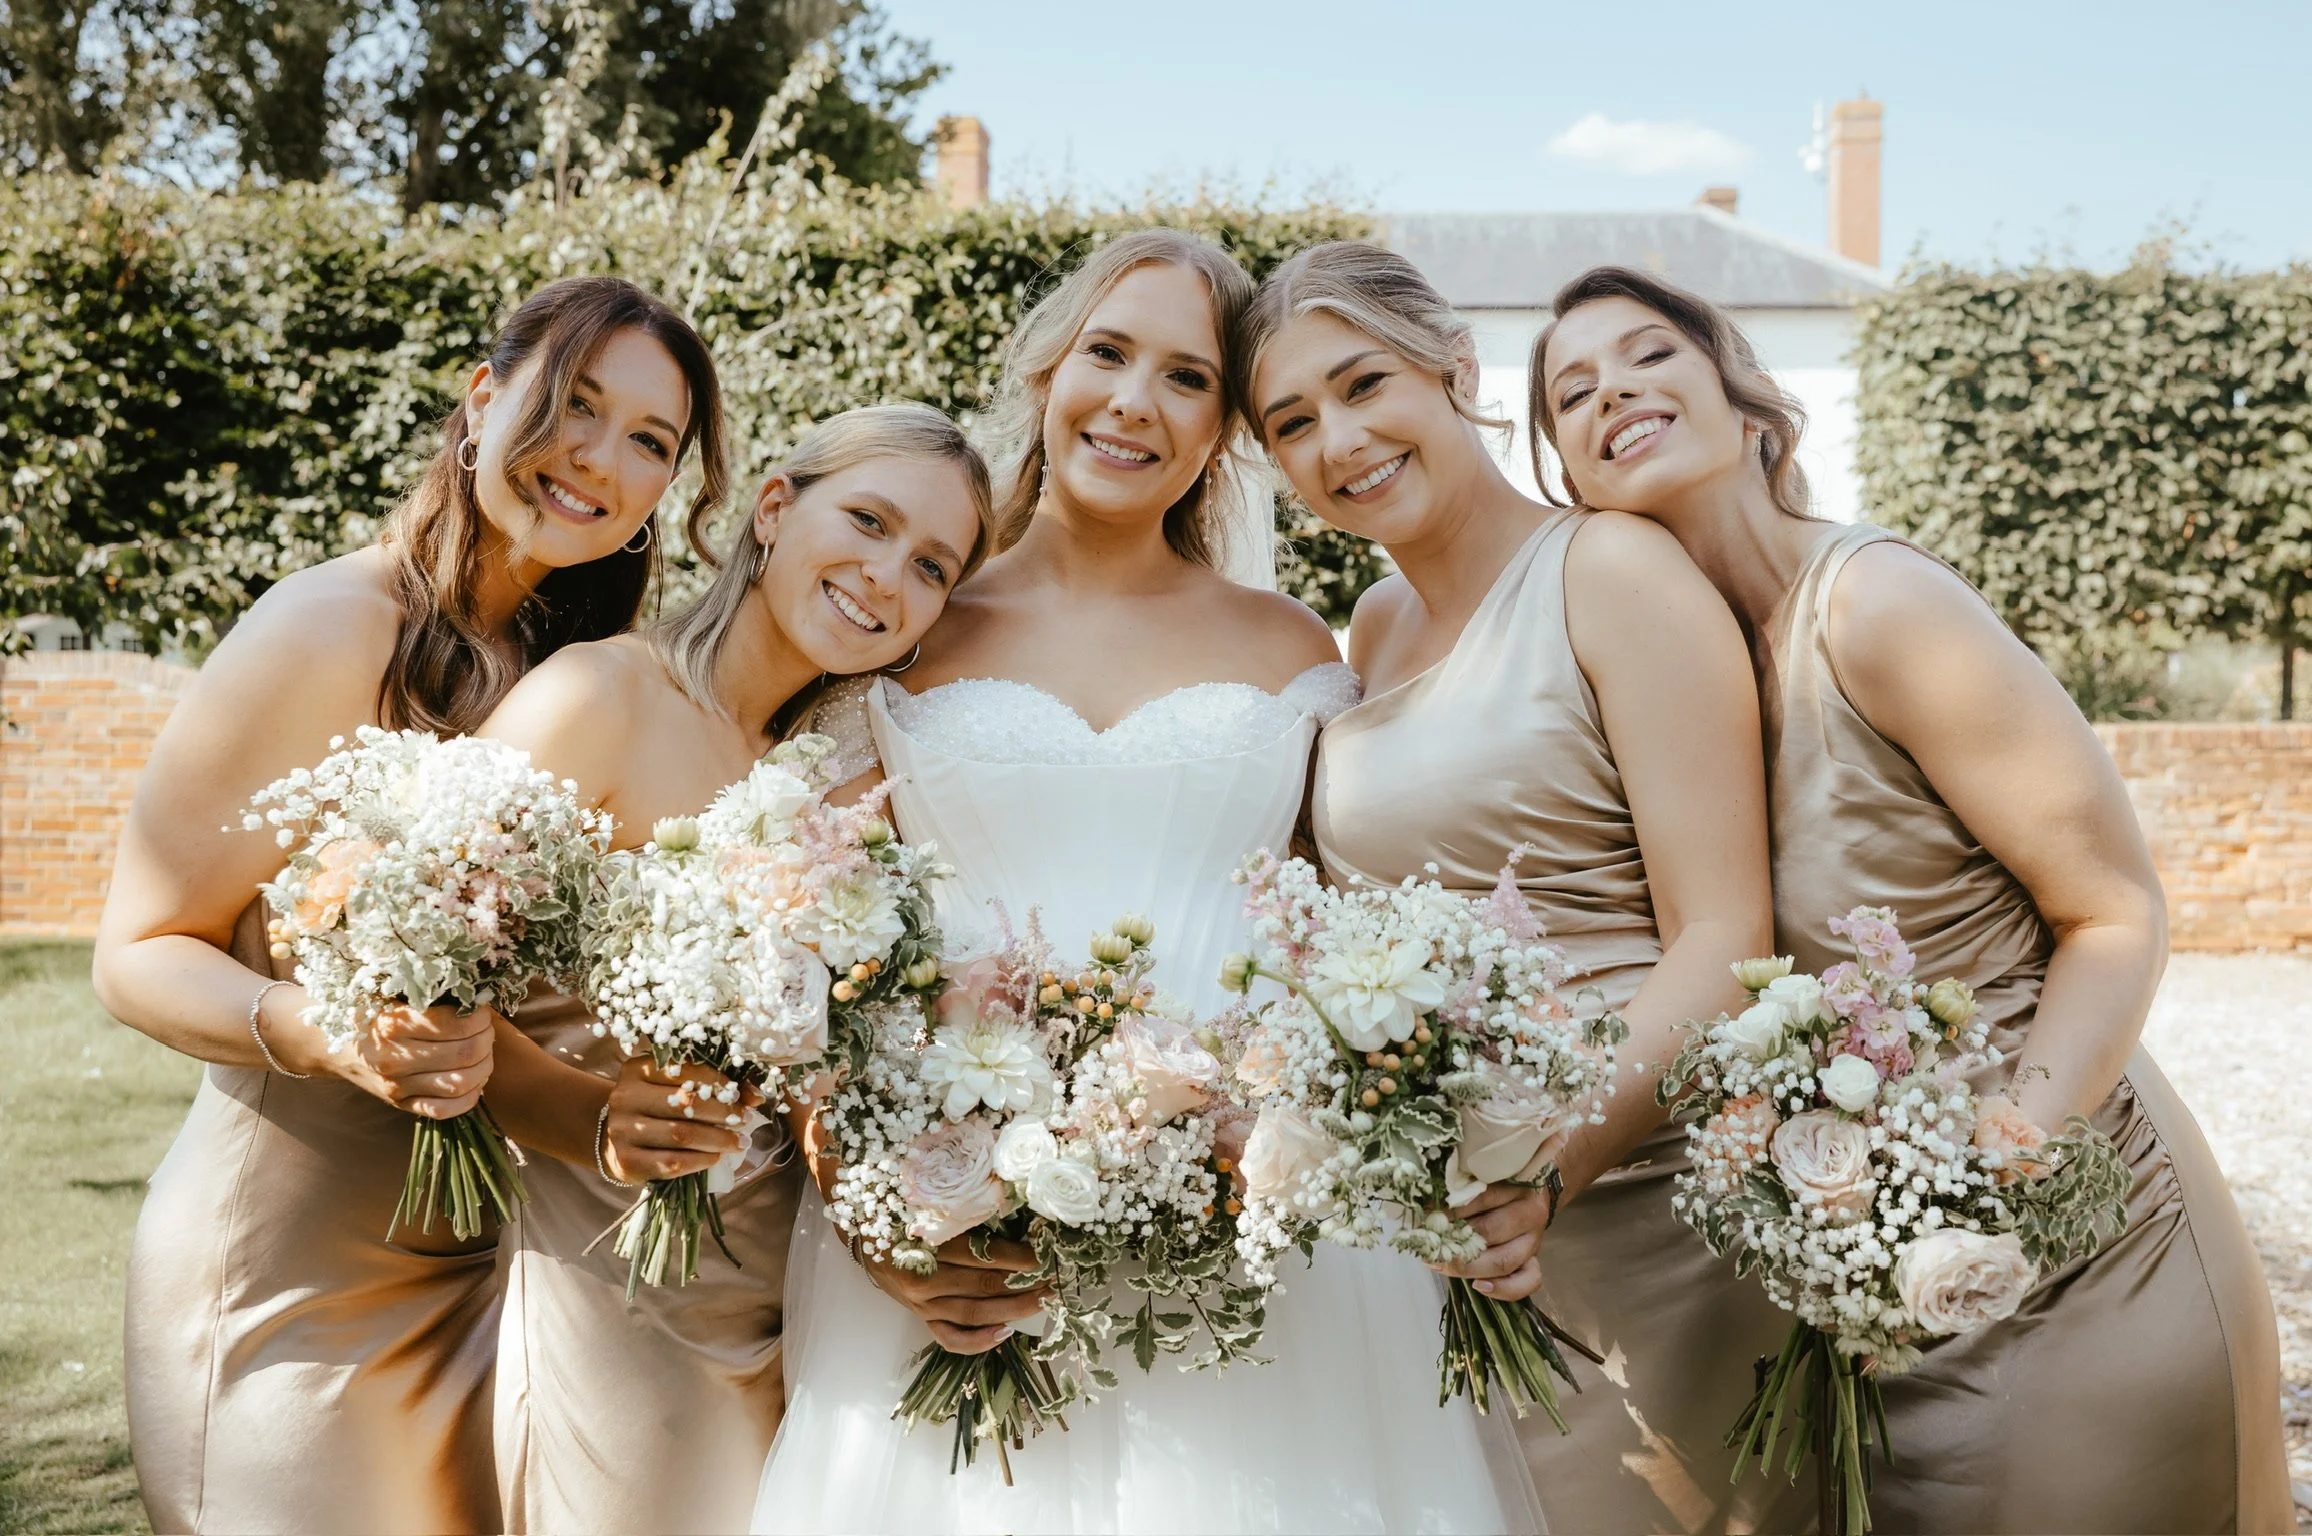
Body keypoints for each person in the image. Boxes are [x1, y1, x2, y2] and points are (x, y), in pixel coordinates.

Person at [752, 229, 1535, 1535]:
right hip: (966, 1208)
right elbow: (801, 946)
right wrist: (872, 1208)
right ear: (1049, 366)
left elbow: (1334, 923)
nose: (1132, 402)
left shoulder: (1294, 647)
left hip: (1256, 1220)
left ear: (1224, 432)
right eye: (1108, 353)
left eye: (1185, 379)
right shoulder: (910, 628)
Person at [1530, 263, 2293, 1534]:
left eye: (1648, 355)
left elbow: (2114, 914)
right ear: (1566, 482)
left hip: (2072, 1231)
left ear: (1746, 403)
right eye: (1570, 391)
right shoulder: (1658, 683)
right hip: (1869, 1288)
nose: (1610, 388)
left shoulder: (1876, 606)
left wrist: (1992, 1174)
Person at [93, 275, 727, 1535]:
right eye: (576, 403)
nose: (598, 459)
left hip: (490, 1274)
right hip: (291, 1283)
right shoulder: (331, 627)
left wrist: (610, 1121)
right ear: (483, 399)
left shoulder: (576, 680)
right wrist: (327, 1032)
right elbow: (137, 952)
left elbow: (489, 1037)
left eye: (650, 442)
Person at [1242, 240, 1807, 1533]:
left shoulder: (1608, 572)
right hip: (1455, 1246)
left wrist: (1545, 1169)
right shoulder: (1370, 635)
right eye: (1292, 421)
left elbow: (1725, 930)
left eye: (1364, 383)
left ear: (1456, 367)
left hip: (1643, 1212)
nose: (1339, 439)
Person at [476, 401, 1000, 1535]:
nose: (884, 576)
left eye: (929, 566)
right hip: (606, 1274)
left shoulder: (839, 780)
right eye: (864, 519)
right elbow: (416, 989)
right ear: (773, 508)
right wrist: (587, 1117)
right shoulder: (597, 697)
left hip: (784, 1285)